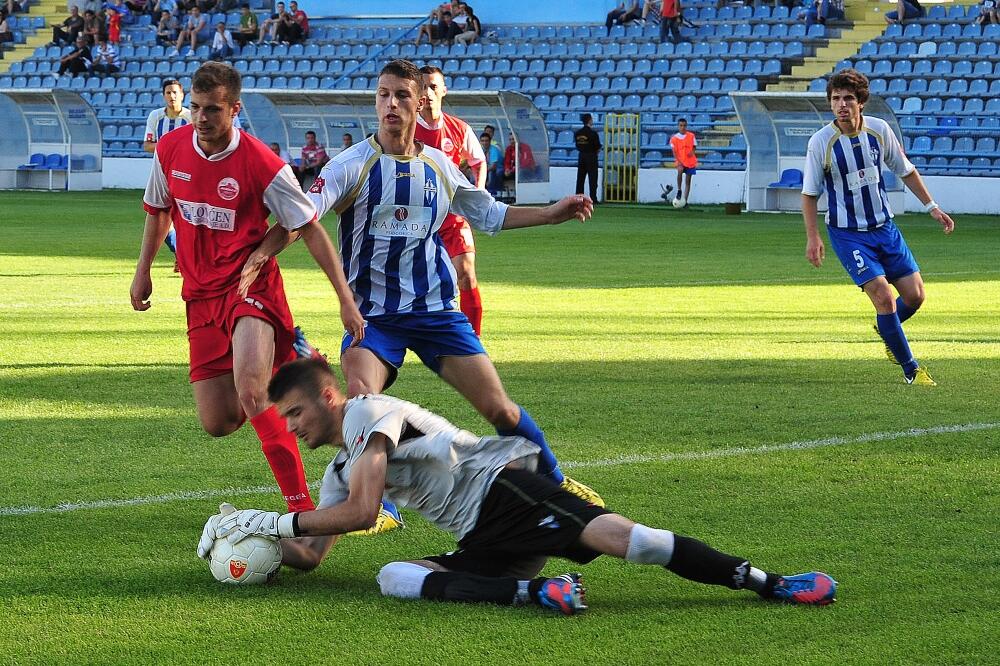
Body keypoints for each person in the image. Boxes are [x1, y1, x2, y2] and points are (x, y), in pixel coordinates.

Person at [199, 357, 839, 615]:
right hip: (480, 533)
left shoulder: (369, 413)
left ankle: (767, 582)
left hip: (503, 487)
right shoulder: (338, 468)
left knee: (632, 541)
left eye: (295, 415)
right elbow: (312, 554)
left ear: (330, 397)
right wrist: (252, 540)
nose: (292, 428)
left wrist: (279, 520)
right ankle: (538, 590)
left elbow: (365, 511)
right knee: (395, 577)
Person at [241, 59, 603, 507]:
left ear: (419, 103)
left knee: (500, 410)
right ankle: (379, 504)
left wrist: (552, 212)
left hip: (436, 313)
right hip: (373, 317)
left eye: (401, 96)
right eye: (382, 95)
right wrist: (263, 251)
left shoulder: (440, 166)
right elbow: (303, 217)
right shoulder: (350, 166)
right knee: (360, 401)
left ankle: (556, 481)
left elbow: (489, 214)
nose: (390, 104)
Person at [130, 61, 366, 516]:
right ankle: (296, 355)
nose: (201, 118)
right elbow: (158, 211)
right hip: (199, 295)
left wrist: (344, 298)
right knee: (218, 421)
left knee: (253, 391)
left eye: (212, 109)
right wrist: (143, 271)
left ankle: (300, 509)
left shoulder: (261, 163)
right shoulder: (171, 149)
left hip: (249, 288)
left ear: (234, 109)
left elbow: (308, 227)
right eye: (196, 108)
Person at [801, 69, 955, 386]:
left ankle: (887, 329)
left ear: (861, 102)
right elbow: (809, 194)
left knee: (915, 297)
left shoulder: (880, 131)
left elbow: (906, 171)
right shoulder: (821, 143)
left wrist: (932, 207)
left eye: (848, 98)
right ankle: (912, 370)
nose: (842, 105)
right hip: (847, 234)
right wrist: (813, 237)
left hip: (885, 229)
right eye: (836, 99)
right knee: (884, 297)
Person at [414, 65, 488, 336]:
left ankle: (473, 341)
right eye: (422, 87)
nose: (428, 92)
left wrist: (477, 197)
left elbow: (478, 162)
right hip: (416, 217)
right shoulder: (407, 130)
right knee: (421, 283)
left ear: (444, 90)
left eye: (433, 86)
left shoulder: (459, 129)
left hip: (452, 215)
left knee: (466, 273)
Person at [574, 113, 601, 204]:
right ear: (589, 120)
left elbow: (577, 145)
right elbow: (597, 147)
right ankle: (593, 198)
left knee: (580, 178)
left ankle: (578, 198)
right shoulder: (593, 133)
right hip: (591, 156)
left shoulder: (578, 133)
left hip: (581, 156)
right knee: (593, 178)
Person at [669, 118, 696, 205]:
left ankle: (685, 201)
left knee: (688, 181)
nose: (683, 127)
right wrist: (678, 160)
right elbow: (674, 151)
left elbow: (694, 146)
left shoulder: (691, 136)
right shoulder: (674, 138)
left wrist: (692, 152)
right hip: (680, 160)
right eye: (681, 125)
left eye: (684, 125)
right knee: (680, 171)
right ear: (678, 126)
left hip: (690, 161)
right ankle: (679, 190)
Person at [479, 132, 502, 196]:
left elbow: (493, 166)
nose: (485, 143)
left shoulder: (494, 149)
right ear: (480, 142)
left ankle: (492, 193)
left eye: (486, 141)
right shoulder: (480, 150)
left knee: (493, 173)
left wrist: (483, 171)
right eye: (482, 141)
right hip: (487, 168)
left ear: (490, 141)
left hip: (497, 168)